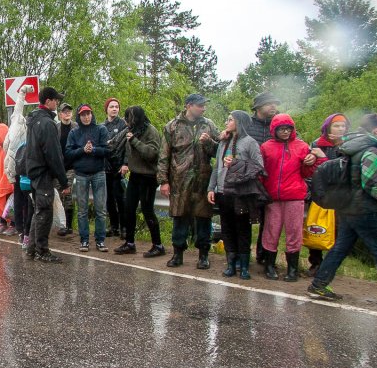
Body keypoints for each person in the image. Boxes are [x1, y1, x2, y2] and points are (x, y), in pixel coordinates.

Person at [308, 113, 377, 300]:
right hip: (366, 209)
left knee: (340, 247)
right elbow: (370, 184)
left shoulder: (352, 147)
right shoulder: (372, 151)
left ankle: (318, 285)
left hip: (347, 207)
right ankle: (318, 285)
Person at [158, 93, 219, 269]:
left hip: (202, 180)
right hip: (179, 180)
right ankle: (177, 253)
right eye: (200, 105)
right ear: (189, 106)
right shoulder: (172, 126)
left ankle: (203, 255)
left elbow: (219, 151)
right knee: (180, 217)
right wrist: (163, 181)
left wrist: (209, 143)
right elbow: (164, 155)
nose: (203, 108)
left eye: (204, 105)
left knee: (203, 218)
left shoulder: (209, 125)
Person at [259, 114, 322, 281]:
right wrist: (261, 193)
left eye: (288, 128)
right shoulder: (266, 147)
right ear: (274, 130)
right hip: (273, 197)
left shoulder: (302, 146)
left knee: (294, 232)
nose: (285, 132)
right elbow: (261, 172)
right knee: (271, 231)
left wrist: (311, 162)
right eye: (281, 129)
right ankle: (269, 266)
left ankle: (292, 269)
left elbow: (306, 173)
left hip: (294, 196)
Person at [207, 111, 264, 280]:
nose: (227, 122)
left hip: (241, 193)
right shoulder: (224, 142)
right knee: (227, 229)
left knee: (242, 229)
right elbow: (217, 167)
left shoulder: (250, 142)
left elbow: (259, 166)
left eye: (230, 120)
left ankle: (244, 266)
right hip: (223, 192)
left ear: (239, 122)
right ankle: (230, 264)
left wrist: (237, 163)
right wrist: (211, 188)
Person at [112, 106, 165, 258]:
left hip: (148, 177)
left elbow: (152, 154)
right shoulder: (132, 130)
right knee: (128, 208)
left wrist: (134, 141)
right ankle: (129, 243)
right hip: (135, 175)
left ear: (135, 118)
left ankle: (158, 245)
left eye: (128, 118)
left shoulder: (150, 131)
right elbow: (127, 151)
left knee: (147, 210)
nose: (126, 121)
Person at [25, 87, 69, 263]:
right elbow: (53, 154)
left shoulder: (33, 120)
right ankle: (42, 250)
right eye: (55, 100)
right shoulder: (47, 123)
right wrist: (63, 181)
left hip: (34, 171)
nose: (57, 103)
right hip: (43, 172)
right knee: (44, 211)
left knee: (38, 211)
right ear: (48, 101)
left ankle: (32, 248)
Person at [305, 113, 349, 275]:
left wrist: (324, 158)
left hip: (339, 194)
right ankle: (316, 263)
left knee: (337, 231)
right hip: (319, 193)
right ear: (328, 127)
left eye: (343, 126)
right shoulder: (317, 144)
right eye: (336, 126)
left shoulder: (349, 145)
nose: (340, 129)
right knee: (315, 228)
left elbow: (342, 171)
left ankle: (329, 267)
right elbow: (312, 171)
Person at [65, 104, 109, 252]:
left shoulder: (101, 129)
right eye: (83, 115)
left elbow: (108, 150)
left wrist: (94, 150)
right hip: (81, 174)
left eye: (88, 114)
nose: (86, 117)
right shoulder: (74, 133)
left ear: (92, 114)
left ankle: (100, 240)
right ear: (79, 116)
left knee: (101, 209)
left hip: (99, 173)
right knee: (82, 210)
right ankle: (84, 240)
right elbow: (68, 153)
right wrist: (82, 150)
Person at [247, 91, 281, 264]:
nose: (274, 106)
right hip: (249, 179)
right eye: (269, 103)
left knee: (269, 221)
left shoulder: (279, 125)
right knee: (245, 217)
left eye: (275, 103)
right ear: (258, 107)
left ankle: (263, 256)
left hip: (271, 179)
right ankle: (243, 255)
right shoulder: (247, 124)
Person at [4, 86, 32, 247]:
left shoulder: (32, 130)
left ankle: (26, 232)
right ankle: (21, 231)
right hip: (16, 170)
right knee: (20, 201)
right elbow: (18, 108)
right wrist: (22, 93)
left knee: (27, 202)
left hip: (26, 171)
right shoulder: (16, 123)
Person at [103, 98, 128, 238]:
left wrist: (126, 163)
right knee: (109, 199)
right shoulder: (102, 126)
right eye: (111, 106)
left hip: (119, 167)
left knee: (120, 197)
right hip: (106, 167)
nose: (114, 109)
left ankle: (124, 227)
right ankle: (114, 226)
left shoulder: (124, 125)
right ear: (106, 109)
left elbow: (127, 147)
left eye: (116, 107)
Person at [55, 102, 77, 236]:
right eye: (64, 111)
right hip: (58, 167)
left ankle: (68, 226)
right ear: (60, 114)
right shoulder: (55, 127)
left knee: (67, 193)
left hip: (71, 166)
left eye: (69, 111)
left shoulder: (76, 127)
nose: (67, 113)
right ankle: (61, 223)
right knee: (58, 195)